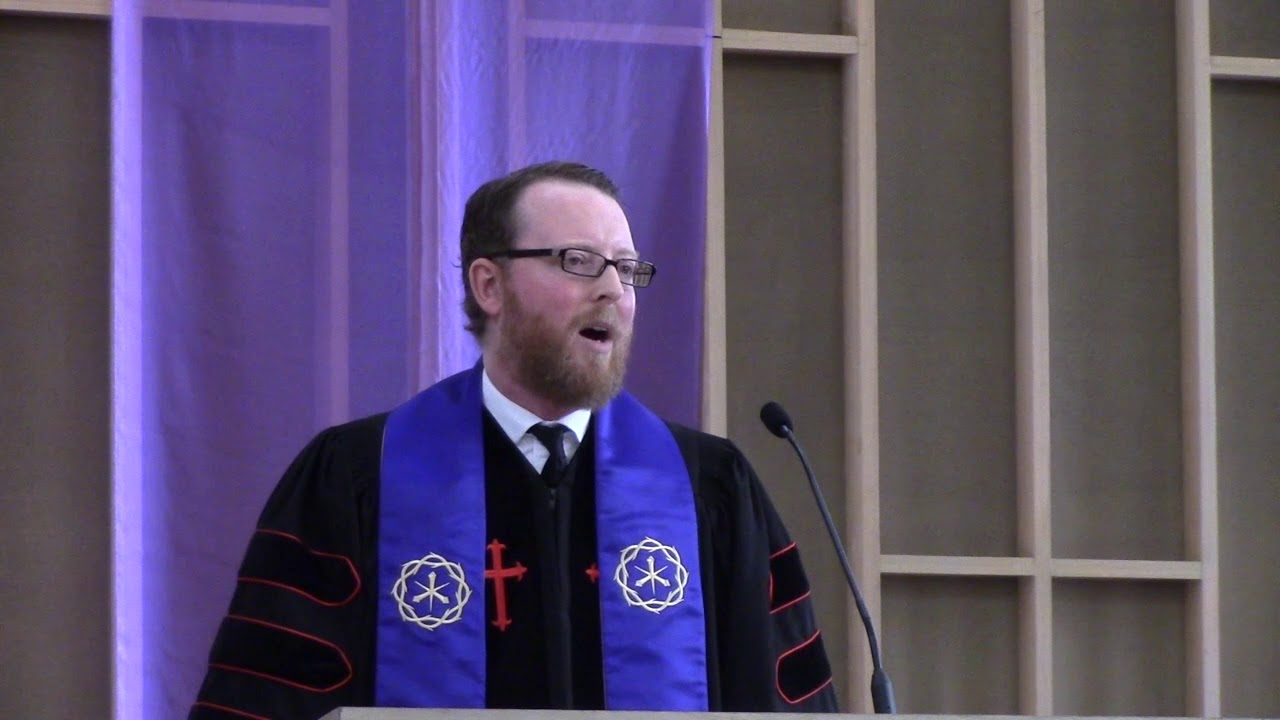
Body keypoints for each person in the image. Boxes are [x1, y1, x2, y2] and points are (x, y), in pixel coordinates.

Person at [190, 161, 837, 718]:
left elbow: (780, 705)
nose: (613, 289)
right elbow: (266, 700)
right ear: (488, 285)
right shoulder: (358, 478)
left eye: (627, 268)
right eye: (580, 262)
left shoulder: (708, 488)